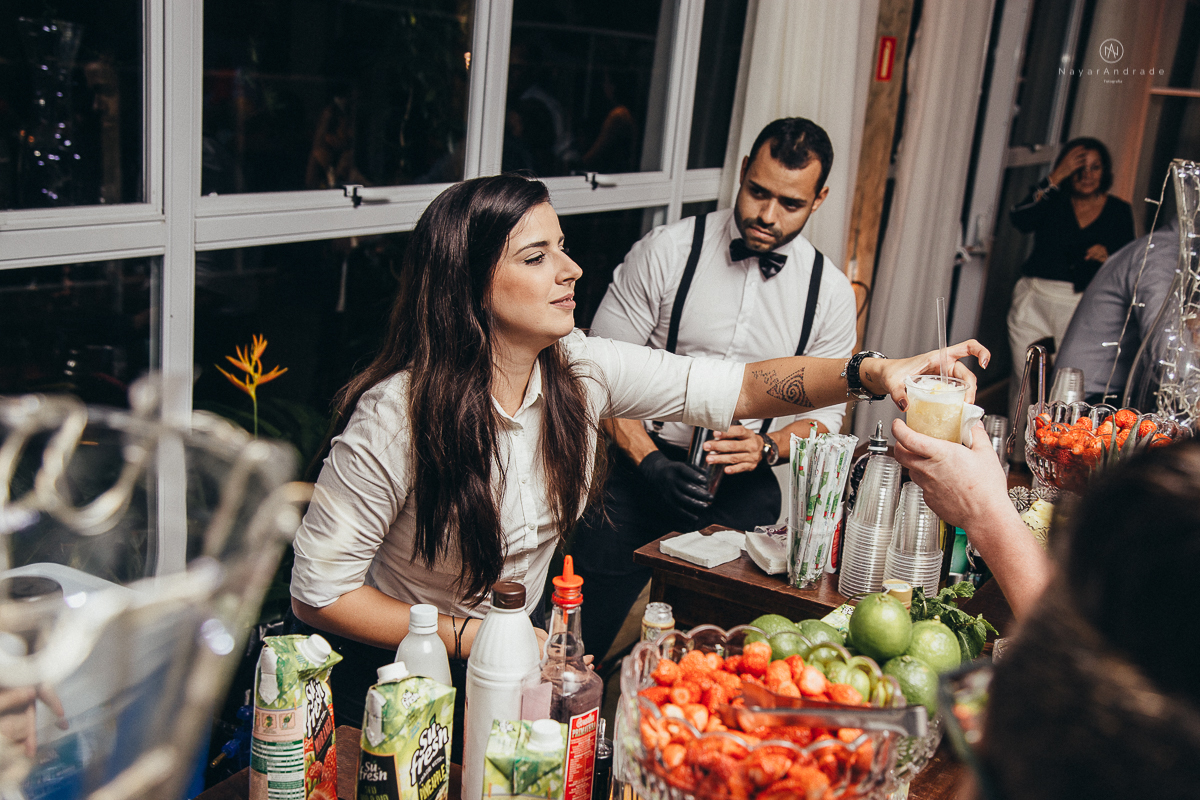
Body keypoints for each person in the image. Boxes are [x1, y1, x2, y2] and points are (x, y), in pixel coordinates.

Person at [287, 173, 987, 726]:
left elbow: (741, 387)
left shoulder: (579, 369)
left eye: (561, 247)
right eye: (538, 257)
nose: (571, 271)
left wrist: (875, 371)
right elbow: (318, 595)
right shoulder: (395, 418)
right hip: (389, 691)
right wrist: (473, 637)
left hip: (505, 673)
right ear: (469, 286)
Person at [572, 117, 857, 658]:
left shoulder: (830, 295)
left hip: (743, 486)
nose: (766, 216)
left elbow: (828, 420)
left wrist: (769, 446)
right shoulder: (667, 252)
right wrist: (648, 459)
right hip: (637, 468)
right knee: (582, 632)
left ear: (818, 200)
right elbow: (594, 372)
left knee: (716, 648)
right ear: (743, 171)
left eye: (789, 204)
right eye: (757, 192)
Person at [1006, 137, 1134, 442]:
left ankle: (1058, 448)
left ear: (1105, 172)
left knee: (1067, 381)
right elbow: (1019, 217)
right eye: (1078, 167)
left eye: (1095, 167)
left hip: (1081, 305)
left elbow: (1129, 261)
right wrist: (1054, 177)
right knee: (1026, 377)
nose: (1087, 174)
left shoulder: (1118, 211)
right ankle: (1019, 451)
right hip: (1034, 298)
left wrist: (1109, 255)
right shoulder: (1052, 201)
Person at [1054, 219, 1180, 404]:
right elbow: (1165, 349)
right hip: (1086, 399)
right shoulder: (1160, 253)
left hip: (1105, 388)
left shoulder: (1162, 246)